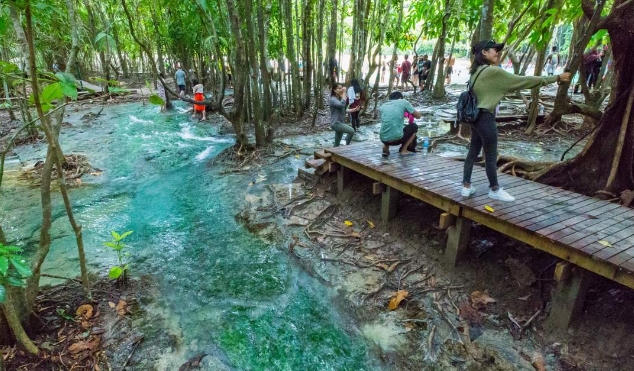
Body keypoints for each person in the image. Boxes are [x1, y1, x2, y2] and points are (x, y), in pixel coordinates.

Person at [461, 40, 571, 202]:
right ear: (484, 52)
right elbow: (524, 81)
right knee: (491, 155)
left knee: (473, 152)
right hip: (486, 118)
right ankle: (494, 189)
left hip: (475, 118)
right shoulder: (493, 72)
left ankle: (466, 187)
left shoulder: (475, 72)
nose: (497, 53)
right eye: (494, 50)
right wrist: (556, 78)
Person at [379, 91, 422, 156]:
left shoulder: (383, 106)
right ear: (400, 98)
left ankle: (385, 146)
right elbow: (418, 116)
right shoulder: (403, 102)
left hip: (383, 139)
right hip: (397, 139)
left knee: (388, 126)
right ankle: (403, 150)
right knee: (414, 126)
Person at [329, 83, 358, 147]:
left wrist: (354, 109)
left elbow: (344, 110)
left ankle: (333, 153)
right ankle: (347, 146)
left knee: (337, 143)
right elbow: (341, 105)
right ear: (334, 90)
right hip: (336, 123)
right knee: (351, 131)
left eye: (341, 88)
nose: (341, 89)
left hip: (340, 123)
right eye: (339, 88)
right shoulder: (333, 99)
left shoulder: (339, 99)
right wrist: (344, 93)